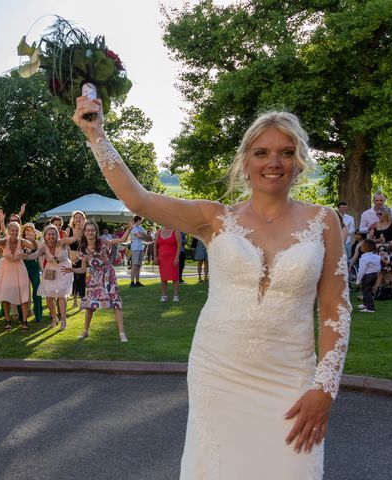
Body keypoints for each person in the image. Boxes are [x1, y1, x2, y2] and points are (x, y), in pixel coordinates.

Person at [73, 101, 350, 478]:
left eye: (286, 153)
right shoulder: (215, 218)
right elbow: (138, 199)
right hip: (220, 372)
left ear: (299, 160)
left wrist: (326, 387)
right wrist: (96, 133)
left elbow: (336, 308)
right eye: (262, 153)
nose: (274, 162)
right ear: (245, 160)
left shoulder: (324, 221)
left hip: (291, 376)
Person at [63, 220, 133, 342]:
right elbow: (83, 269)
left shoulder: (104, 242)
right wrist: (72, 270)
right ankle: (85, 331)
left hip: (108, 275)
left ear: (96, 231)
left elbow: (121, 240)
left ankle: (122, 333)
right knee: (90, 305)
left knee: (115, 303)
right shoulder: (83, 249)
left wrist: (129, 229)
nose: (90, 232)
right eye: (88, 230)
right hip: (93, 277)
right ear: (84, 232)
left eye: (92, 230)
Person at [26, 224, 78, 329]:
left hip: (64, 270)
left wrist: (77, 229)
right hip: (50, 271)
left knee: (61, 295)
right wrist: (25, 256)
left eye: (53, 234)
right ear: (45, 236)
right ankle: (54, 318)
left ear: (57, 235)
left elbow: (73, 239)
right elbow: (34, 255)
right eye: (49, 234)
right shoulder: (43, 247)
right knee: (49, 296)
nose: (51, 237)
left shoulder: (62, 242)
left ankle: (63, 320)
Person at [0, 221, 36, 331]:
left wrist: (32, 238)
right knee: (5, 295)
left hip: (20, 270)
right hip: (6, 271)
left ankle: (24, 321)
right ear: (8, 231)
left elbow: (34, 247)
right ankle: (7, 320)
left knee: (23, 295)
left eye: (16, 230)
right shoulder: (4, 241)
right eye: (12, 230)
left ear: (19, 232)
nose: (14, 232)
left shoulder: (22, 241)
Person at [19, 223, 43, 323]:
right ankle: (21, 317)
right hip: (22, 269)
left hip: (34, 269)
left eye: (31, 230)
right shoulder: (21, 242)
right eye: (26, 230)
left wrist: (43, 270)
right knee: (22, 293)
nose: (29, 232)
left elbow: (41, 258)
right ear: (24, 232)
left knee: (37, 291)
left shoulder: (38, 243)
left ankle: (38, 316)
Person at [154, 226, 182, 302]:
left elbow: (179, 246)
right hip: (162, 258)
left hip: (173, 257)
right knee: (163, 277)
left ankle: (176, 296)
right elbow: (155, 246)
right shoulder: (158, 232)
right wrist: (155, 257)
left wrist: (177, 257)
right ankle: (164, 296)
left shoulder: (176, 231)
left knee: (175, 277)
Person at [65, 211, 86, 308]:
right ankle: (74, 301)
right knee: (73, 279)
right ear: (73, 219)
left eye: (80, 217)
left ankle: (82, 300)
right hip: (71, 257)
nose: (78, 219)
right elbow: (65, 244)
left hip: (81, 257)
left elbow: (86, 244)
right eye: (76, 217)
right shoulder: (69, 230)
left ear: (83, 219)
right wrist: (70, 256)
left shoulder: (85, 230)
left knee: (81, 278)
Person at [355, 239, 381, 313]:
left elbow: (361, 271)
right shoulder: (376, 257)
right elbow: (379, 267)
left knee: (366, 291)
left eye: (361, 246)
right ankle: (365, 304)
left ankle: (370, 308)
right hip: (374, 275)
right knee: (367, 290)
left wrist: (358, 281)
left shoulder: (364, 258)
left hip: (367, 276)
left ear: (365, 248)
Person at [129, 215, 146, 287]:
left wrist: (142, 235)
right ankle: (132, 282)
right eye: (141, 220)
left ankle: (138, 281)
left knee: (138, 266)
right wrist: (142, 235)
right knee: (134, 266)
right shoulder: (133, 228)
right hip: (135, 248)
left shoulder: (140, 227)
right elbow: (139, 236)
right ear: (138, 220)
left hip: (140, 248)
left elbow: (145, 235)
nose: (141, 221)